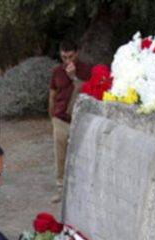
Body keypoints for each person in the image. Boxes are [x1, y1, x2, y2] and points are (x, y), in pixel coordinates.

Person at [48, 40, 91, 204]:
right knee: (60, 156)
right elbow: (52, 94)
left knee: (81, 155)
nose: (67, 60)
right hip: (60, 119)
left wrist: (73, 77)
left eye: (70, 56)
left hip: (80, 120)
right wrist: (52, 116)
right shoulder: (57, 71)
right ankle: (61, 188)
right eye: (64, 57)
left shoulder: (86, 70)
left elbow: (88, 91)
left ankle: (81, 189)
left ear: (77, 53)